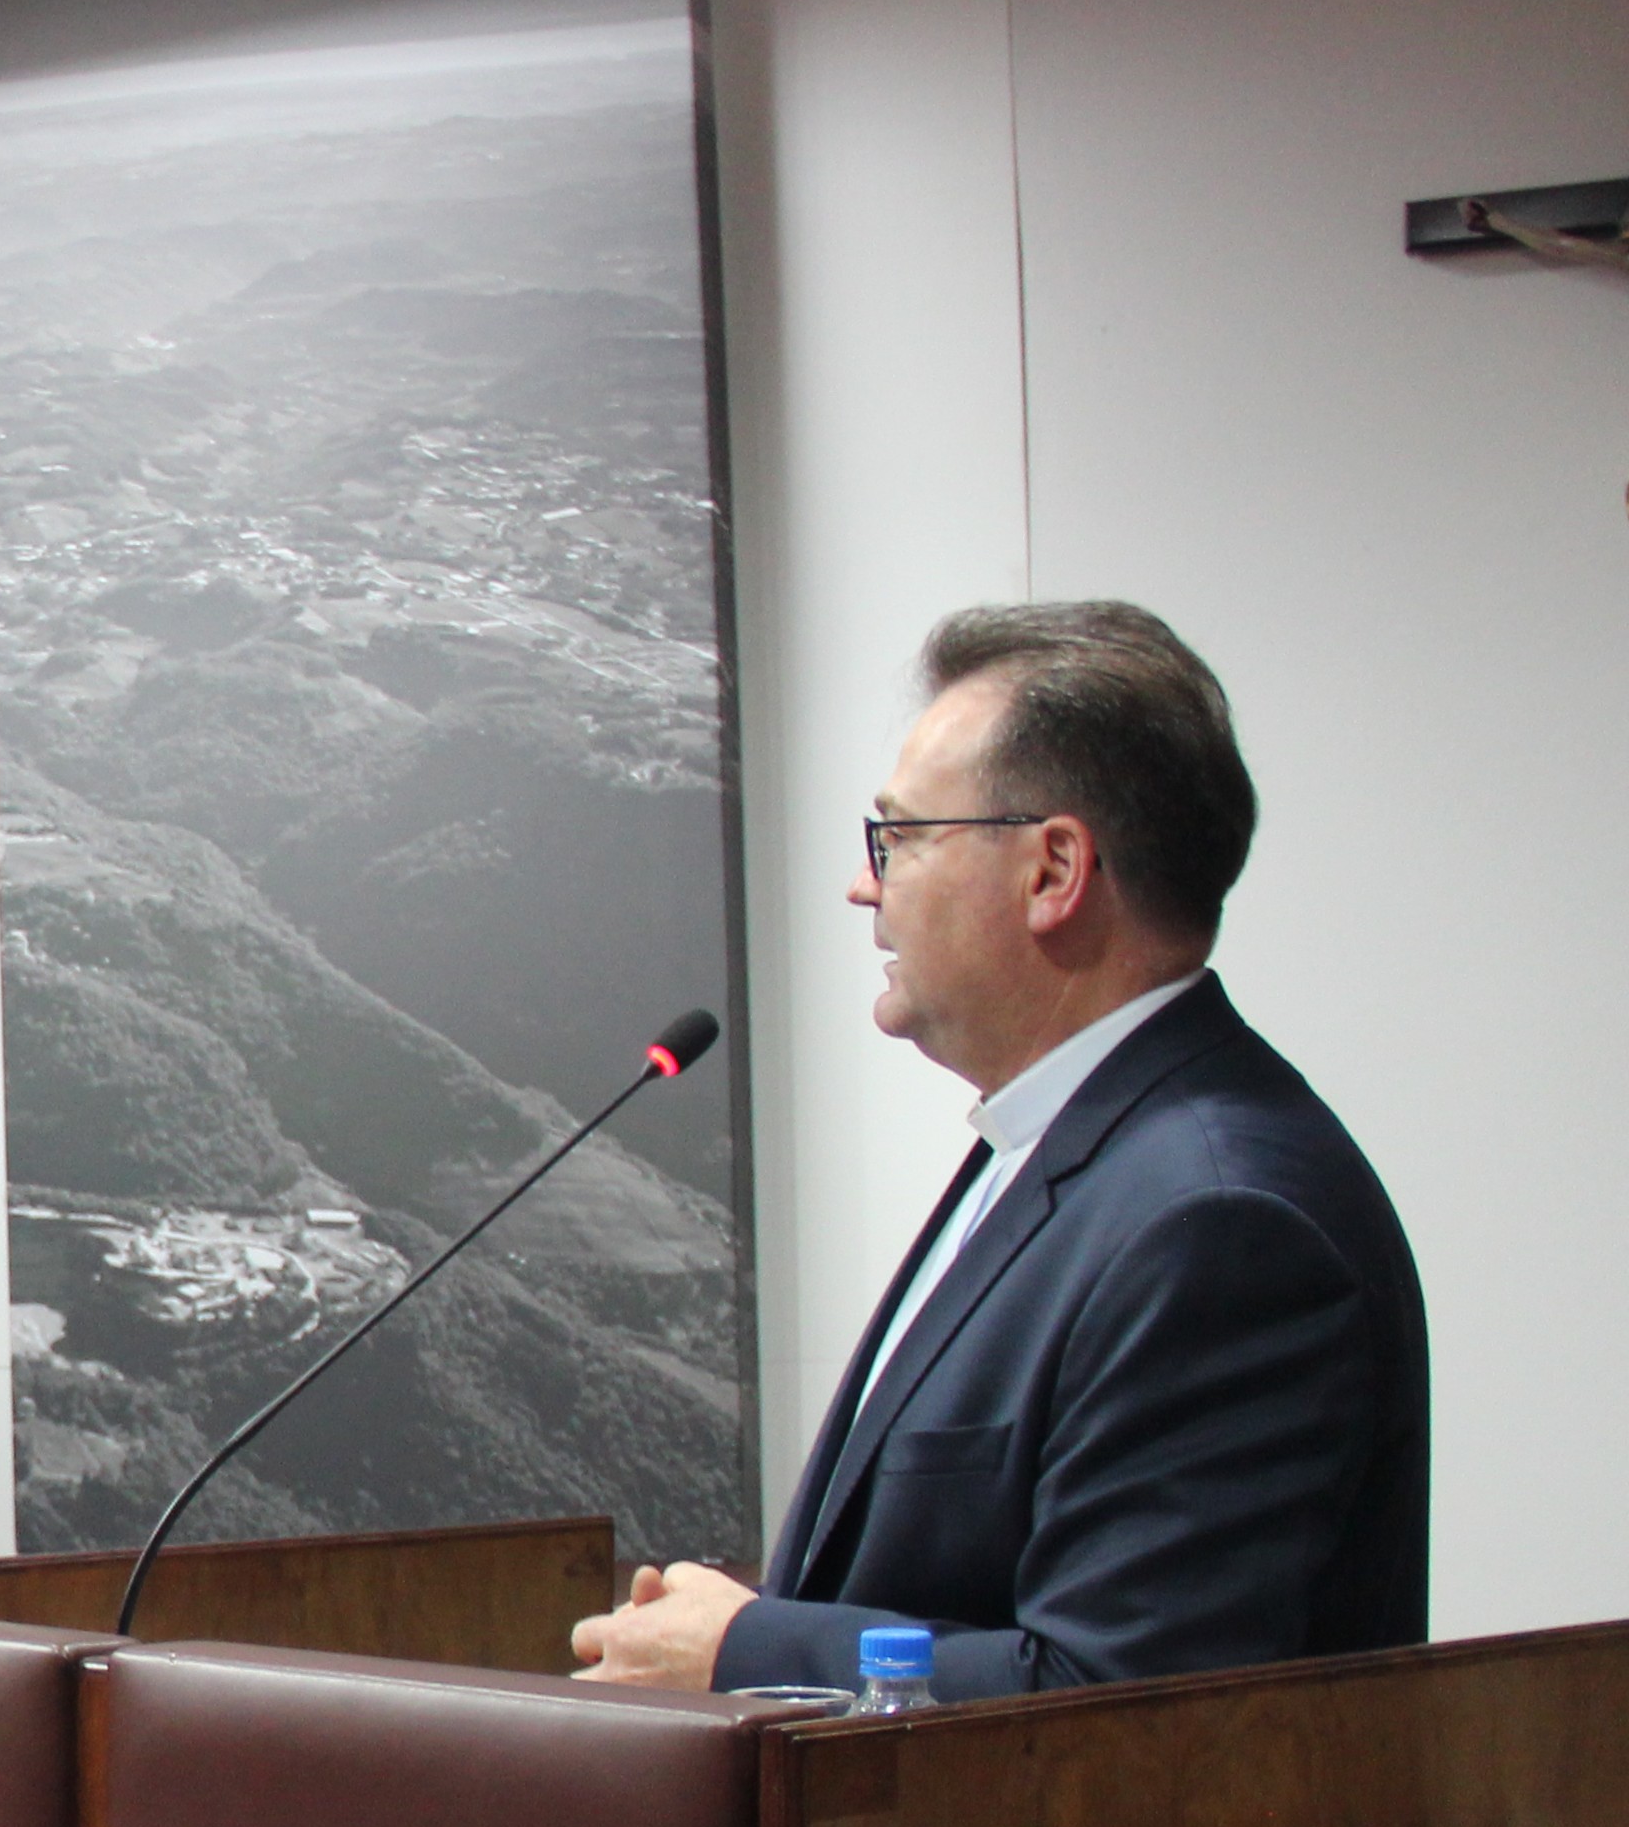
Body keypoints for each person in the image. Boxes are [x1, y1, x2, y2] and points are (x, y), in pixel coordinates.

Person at [575, 601, 1426, 1697]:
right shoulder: (1060, 1143)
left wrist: (743, 1651)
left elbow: (1122, 1695)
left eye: (898, 839)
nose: (863, 884)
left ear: (1051, 871)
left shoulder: (1218, 1222)